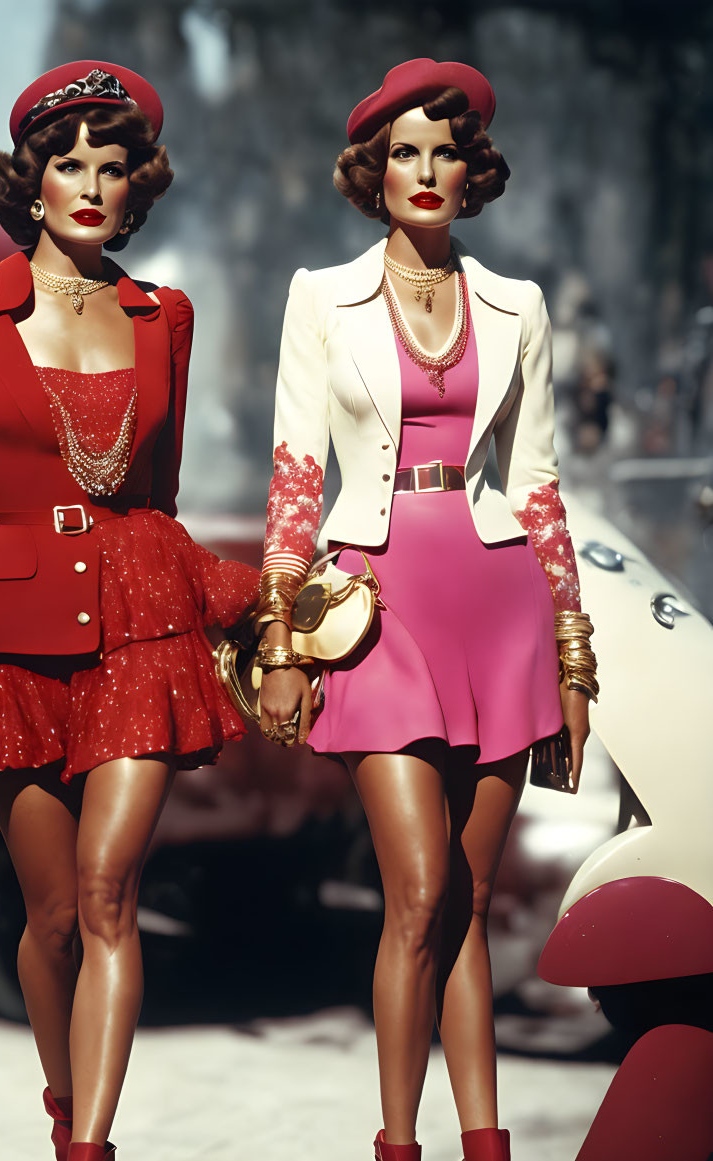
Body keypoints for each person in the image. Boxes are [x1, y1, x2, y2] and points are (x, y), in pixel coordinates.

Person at [0, 60, 258, 1161]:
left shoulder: (164, 316)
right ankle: (61, 1104)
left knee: (107, 895)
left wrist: (252, 610)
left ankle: (92, 1147)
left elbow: (163, 504)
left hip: (142, 628)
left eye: (114, 167)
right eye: (68, 164)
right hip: (11, 638)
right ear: (31, 179)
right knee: (47, 922)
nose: (92, 185)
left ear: (140, 187)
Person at [256, 59, 599, 1161]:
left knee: (474, 895)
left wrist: (575, 658)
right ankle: (398, 1142)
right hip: (378, 604)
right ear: (373, 169)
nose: (427, 170)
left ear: (473, 170)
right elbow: (296, 476)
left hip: (500, 609)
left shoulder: (518, 306)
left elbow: (540, 485)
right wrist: (280, 636)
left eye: (447, 151)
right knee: (419, 887)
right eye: (406, 151)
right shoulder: (321, 296)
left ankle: (485, 1142)